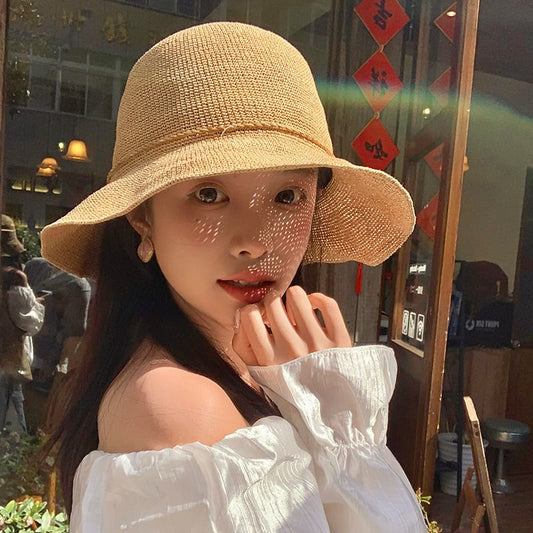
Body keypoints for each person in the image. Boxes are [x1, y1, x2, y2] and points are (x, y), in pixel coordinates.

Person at [41, 23, 426, 532]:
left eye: (287, 196)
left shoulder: (240, 370)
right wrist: (341, 438)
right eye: (209, 194)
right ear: (141, 217)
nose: (255, 241)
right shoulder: (178, 405)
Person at [1, 214, 45, 432]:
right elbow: (28, 322)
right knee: (13, 425)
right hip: (8, 362)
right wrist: (36, 305)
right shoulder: (14, 278)